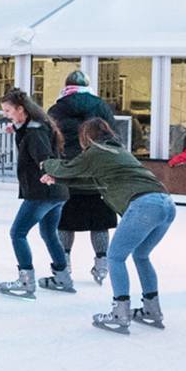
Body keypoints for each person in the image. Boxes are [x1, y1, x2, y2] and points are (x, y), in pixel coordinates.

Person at [42, 120, 176, 332]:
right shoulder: (117, 151)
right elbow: (95, 182)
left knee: (115, 257)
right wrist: (58, 181)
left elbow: (68, 168)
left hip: (144, 205)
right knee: (141, 255)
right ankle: (152, 308)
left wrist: (45, 164)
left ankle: (120, 313)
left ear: (87, 136)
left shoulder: (96, 151)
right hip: (166, 204)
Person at [0, 89, 72, 298]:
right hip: (57, 193)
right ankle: (62, 276)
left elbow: (43, 156)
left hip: (42, 191)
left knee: (17, 233)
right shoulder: (36, 126)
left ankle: (26, 281)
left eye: (9, 110)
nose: (6, 114)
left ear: (21, 109)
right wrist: (17, 129)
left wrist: (47, 173)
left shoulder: (35, 131)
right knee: (49, 234)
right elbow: (31, 145)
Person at [49, 71, 119, 281]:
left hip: (68, 171)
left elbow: (50, 138)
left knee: (65, 221)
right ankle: (101, 263)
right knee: (99, 221)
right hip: (97, 172)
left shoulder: (57, 108)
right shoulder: (101, 106)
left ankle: (64, 263)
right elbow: (113, 136)